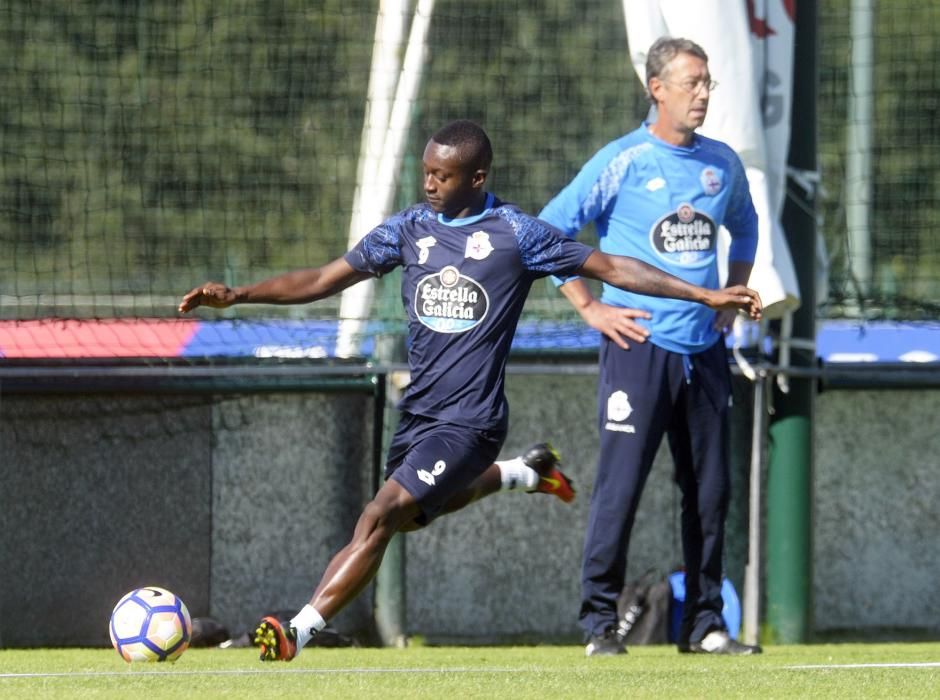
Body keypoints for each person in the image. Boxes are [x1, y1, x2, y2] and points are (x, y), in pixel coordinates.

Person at [178, 119, 761, 661]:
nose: (429, 183)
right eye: (427, 171)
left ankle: (298, 631)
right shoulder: (407, 230)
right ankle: (523, 473)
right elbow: (325, 278)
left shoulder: (518, 234)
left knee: (380, 515)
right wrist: (240, 294)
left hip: (472, 421)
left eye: (442, 175)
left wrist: (706, 294)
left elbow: (611, 267)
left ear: (476, 178)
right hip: (419, 418)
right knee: (408, 518)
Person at [539, 37, 763, 656]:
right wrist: (590, 306)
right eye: (691, 82)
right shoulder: (624, 160)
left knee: (710, 494)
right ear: (655, 88)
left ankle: (706, 625)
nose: (703, 93)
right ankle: (598, 625)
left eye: (708, 82)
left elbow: (745, 226)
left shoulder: (723, 164)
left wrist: (732, 290)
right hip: (638, 348)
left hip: (706, 355)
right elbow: (549, 230)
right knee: (620, 488)